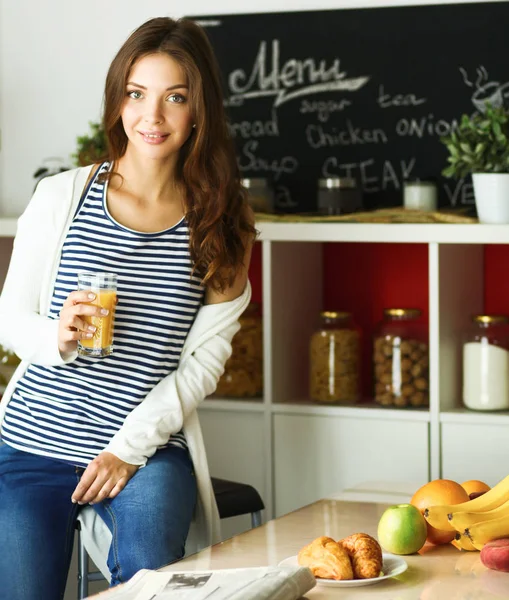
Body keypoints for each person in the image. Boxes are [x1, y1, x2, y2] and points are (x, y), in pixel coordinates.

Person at [0, 16, 256, 600]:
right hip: (33, 443)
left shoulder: (222, 226)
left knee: (149, 580)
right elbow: (10, 317)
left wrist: (125, 450)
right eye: (137, 94)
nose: (152, 116)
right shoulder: (62, 195)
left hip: (144, 451)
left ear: (199, 112)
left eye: (175, 98)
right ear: (118, 99)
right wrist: (56, 338)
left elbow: (201, 367)